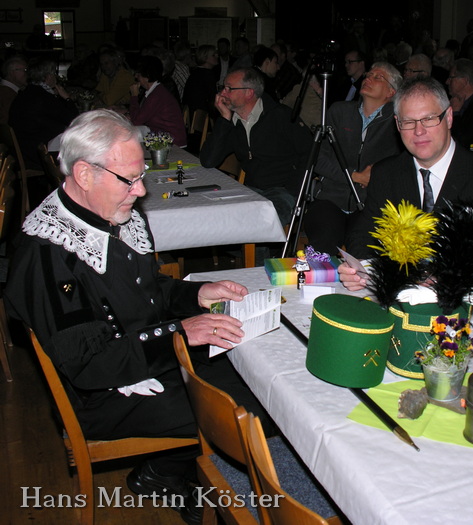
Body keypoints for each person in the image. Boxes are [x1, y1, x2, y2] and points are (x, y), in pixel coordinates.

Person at [4, 109, 272, 524]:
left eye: (139, 175)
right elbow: (91, 364)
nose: (140, 189)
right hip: (105, 393)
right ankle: (190, 478)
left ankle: (164, 470)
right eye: (128, 179)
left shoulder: (113, 215)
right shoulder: (48, 254)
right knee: (255, 401)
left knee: (258, 368)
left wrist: (196, 293)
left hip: (145, 352)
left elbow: (148, 292)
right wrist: (180, 334)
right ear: (84, 174)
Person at [340, 77, 473, 319]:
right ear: (397, 124)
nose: (418, 131)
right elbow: (363, 233)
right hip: (402, 306)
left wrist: (445, 285)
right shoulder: (387, 173)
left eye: (428, 119)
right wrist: (363, 270)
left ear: (448, 117)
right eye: (408, 122)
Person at [305, 62, 404, 255]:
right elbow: (317, 158)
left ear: (391, 92)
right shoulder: (339, 111)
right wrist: (354, 176)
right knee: (323, 244)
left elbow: (403, 164)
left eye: (378, 77)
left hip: (370, 204)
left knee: (363, 249)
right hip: (330, 198)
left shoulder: (397, 122)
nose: (368, 78)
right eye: (369, 74)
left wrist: (376, 173)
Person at [199, 67, 312, 225]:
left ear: (249, 93)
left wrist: (293, 190)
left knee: (260, 222)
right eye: (223, 88)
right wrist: (224, 119)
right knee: (217, 218)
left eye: (229, 88)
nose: (222, 93)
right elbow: (208, 160)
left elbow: (311, 152)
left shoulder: (280, 116)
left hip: (283, 190)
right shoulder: (234, 122)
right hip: (251, 190)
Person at [9, 58, 78, 170]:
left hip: (22, 150)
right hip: (37, 154)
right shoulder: (43, 96)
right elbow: (74, 120)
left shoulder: (28, 92)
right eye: (54, 73)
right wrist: (67, 98)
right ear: (48, 76)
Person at [129, 56, 186, 147]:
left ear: (147, 77)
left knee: (132, 132)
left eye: (138, 74)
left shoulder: (157, 95)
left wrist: (134, 96)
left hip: (173, 141)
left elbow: (136, 121)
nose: (135, 77)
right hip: (163, 135)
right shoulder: (156, 91)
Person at [0, 55, 27, 124]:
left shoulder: (9, 91)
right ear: (11, 72)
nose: (26, 74)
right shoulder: (7, 94)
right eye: (24, 70)